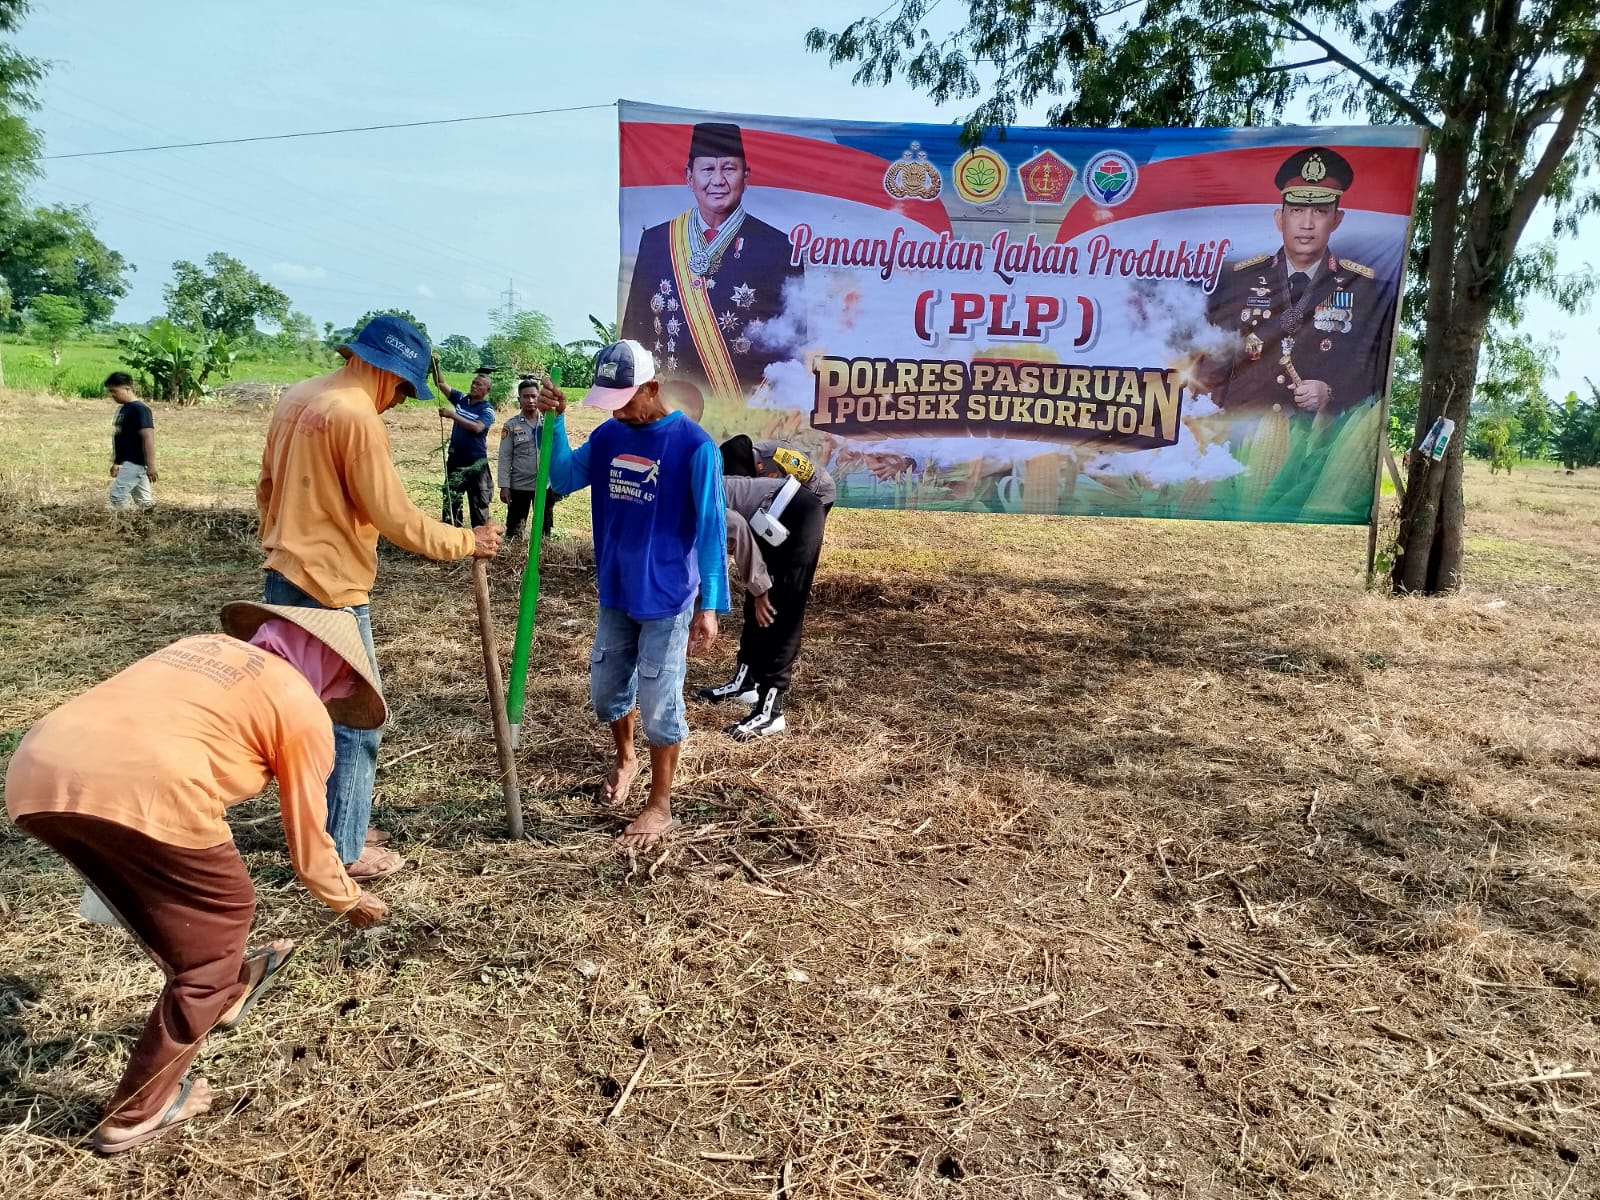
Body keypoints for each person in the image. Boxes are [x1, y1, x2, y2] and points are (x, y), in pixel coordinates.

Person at [5, 602, 390, 1155]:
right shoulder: (302, 707)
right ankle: (138, 1111)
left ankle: (229, 989)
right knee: (223, 917)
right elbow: (310, 845)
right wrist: (349, 899)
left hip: (36, 774)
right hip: (150, 789)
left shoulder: (197, 648)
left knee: (171, 904)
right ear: (335, 668)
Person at [256, 314, 501, 881]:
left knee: (306, 715)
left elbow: (266, 486)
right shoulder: (355, 416)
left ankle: (330, 822)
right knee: (357, 719)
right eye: (403, 391)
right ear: (390, 374)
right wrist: (467, 541)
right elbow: (395, 518)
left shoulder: (299, 397)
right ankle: (343, 849)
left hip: (283, 576)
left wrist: (283, 540)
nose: (397, 402)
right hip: (332, 591)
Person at [535, 339, 728, 848]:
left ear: (652, 388)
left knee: (660, 703)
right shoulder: (608, 436)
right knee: (606, 692)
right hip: (617, 591)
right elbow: (562, 478)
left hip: (668, 597)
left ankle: (660, 805)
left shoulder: (694, 446)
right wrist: (554, 424)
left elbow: (711, 530)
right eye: (609, 402)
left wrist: (710, 605)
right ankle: (626, 757)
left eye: (624, 400)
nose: (617, 411)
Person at [621, 122, 804, 410]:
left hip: (746, 416)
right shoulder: (656, 240)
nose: (718, 180)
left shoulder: (779, 247)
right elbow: (635, 331)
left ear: (746, 177)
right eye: (707, 169)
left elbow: (793, 349)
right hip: (668, 412)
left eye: (729, 169)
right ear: (689, 177)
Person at [1205, 146, 1395, 414]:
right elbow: (1212, 360)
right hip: (1241, 428)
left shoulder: (1364, 288)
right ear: (1279, 219)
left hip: (1317, 434)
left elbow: (1372, 369)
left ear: (1337, 220)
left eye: (1320, 212)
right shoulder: (1238, 280)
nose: (1307, 224)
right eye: (1296, 210)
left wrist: (1332, 393)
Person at [697, 451, 827, 740]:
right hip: (766, 521)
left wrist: (761, 589)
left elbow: (736, 527)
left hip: (797, 513)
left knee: (778, 607)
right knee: (754, 603)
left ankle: (771, 712)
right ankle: (745, 683)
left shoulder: (690, 499)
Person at [433, 362, 498, 528]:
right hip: (455, 459)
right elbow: (441, 383)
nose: (474, 386)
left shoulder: (487, 410)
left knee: (478, 503)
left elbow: (477, 428)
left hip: (476, 463)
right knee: (451, 500)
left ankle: (480, 538)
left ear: (487, 390)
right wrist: (436, 365)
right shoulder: (462, 399)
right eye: (473, 383)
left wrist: (453, 415)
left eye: (479, 384)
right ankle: (452, 536)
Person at [498, 375, 561, 540]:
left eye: (534, 396)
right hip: (520, 485)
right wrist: (504, 486)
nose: (530, 400)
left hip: (545, 485)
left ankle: (543, 553)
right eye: (526, 397)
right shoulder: (511, 425)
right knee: (515, 530)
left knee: (545, 529)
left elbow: (557, 452)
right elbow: (505, 456)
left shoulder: (548, 422)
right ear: (519, 399)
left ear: (539, 397)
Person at [106, 371, 157, 510]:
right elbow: (121, 438)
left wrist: (151, 465)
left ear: (127, 389)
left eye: (114, 391)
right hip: (128, 461)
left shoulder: (140, 410)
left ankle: (125, 521)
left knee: (117, 497)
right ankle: (152, 522)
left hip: (136, 461)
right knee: (144, 502)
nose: (112, 395)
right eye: (110, 392)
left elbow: (148, 437)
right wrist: (117, 462)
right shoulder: (124, 409)